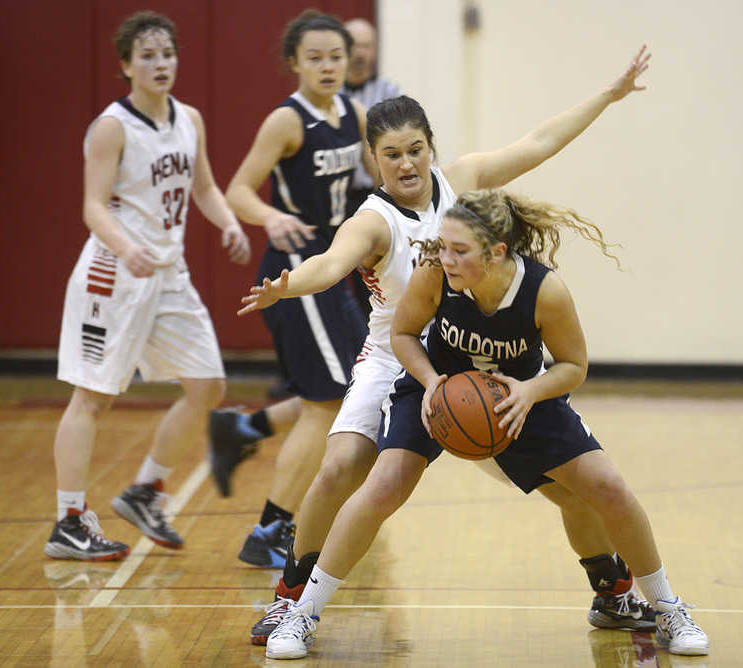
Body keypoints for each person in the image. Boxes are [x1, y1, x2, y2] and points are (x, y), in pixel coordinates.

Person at [240, 44, 655, 647]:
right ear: (372, 159)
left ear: (430, 146)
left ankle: (612, 590)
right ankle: (291, 598)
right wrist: (288, 285)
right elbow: (329, 266)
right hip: (395, 358)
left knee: (572, 487)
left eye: (415, 149)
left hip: (468, 362)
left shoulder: (459, 183)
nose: (406, 164)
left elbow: (538, 142)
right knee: (341, 470)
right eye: (391, 155)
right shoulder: (374, 219)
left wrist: (608, 95)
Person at [264, 190, 710, 659]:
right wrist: (433, 380)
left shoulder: (544, 292)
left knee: (607, 488)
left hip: (518, 394)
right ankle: (302, 614)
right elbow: (403, 333)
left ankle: (666, 608)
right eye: (443, 246)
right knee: (383, 485)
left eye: (460, 250)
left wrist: (530, 392)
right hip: (438, 386)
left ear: (497, 253)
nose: (445, 257)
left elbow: (573, 366)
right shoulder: (436, 269)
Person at [44, 10, 251, 561]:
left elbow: (203, 187)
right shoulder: (112, 126)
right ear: (126, 66)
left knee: (207, 385)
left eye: (167, 54)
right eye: (148, 56)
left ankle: (145, 490)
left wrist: (228, 222)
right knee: (93, 397)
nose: (161, 64)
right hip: (113, 273)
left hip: (167, 273)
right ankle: (67, 521)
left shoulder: (191, 120)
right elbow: (91, 205)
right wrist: (124, 245)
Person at [214, 10, 375, 569]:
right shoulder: (286, 121)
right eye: (316, 58)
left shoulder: (351, 112)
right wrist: (269, 217)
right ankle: (270, 529)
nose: (329, 66)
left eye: (337, 56)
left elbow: (379, 178)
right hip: (294, 275)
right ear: (295, 64)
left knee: (356, 388)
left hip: (334, 269)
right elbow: (236, 189)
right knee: (328, 401)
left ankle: (244, 428)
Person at [341, 17, 403, 318]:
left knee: (373, 280)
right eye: (354, 45)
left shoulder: (389, 92)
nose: (360, 52)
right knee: (334, 277)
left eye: (366, 45)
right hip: (335, 198)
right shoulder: (331, 95)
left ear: (374, 50)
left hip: (373, 197)